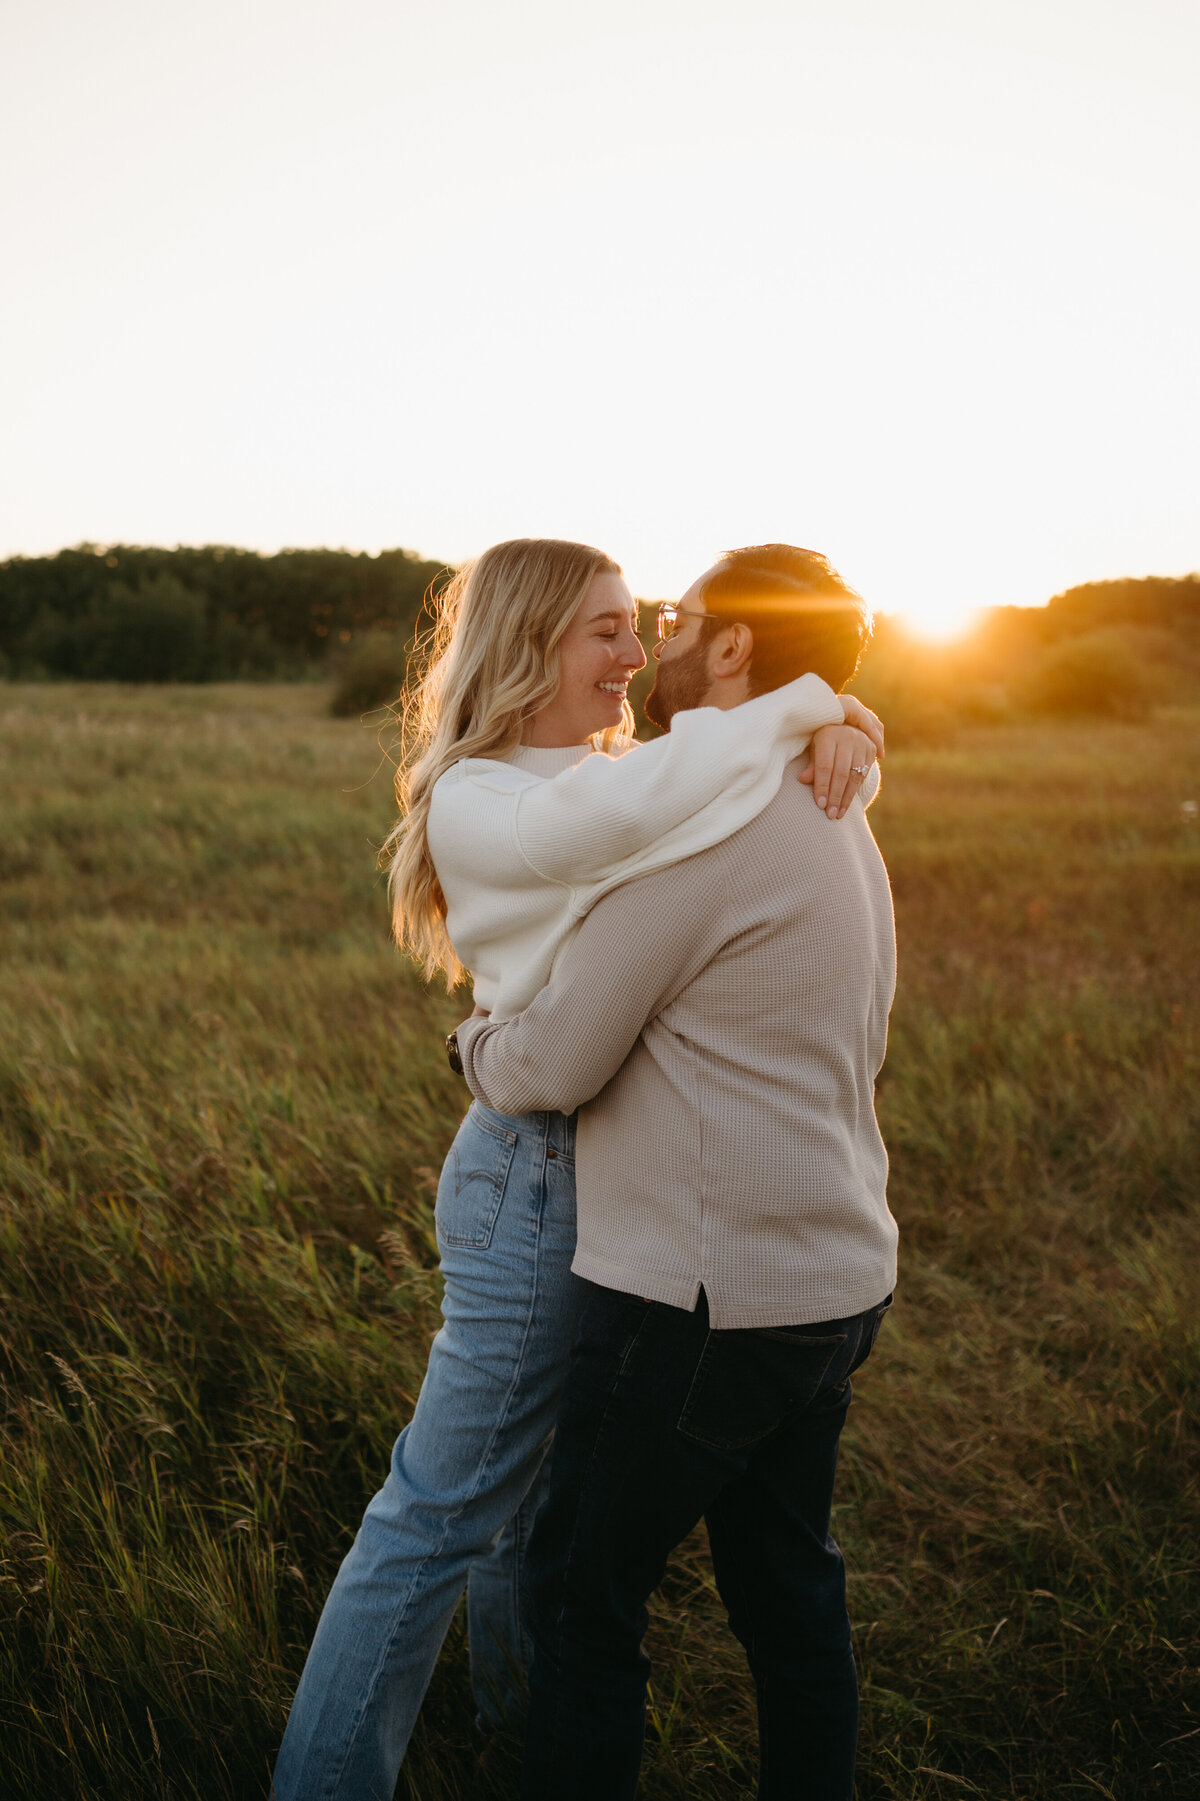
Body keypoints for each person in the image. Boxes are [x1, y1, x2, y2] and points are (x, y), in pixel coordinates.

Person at [271, 538, 883, 1801]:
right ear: (529, 642)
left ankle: (512, 1724)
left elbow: (696, 782)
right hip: (534, 1153)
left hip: (619, 1157)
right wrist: (815, 703)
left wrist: (845, 722)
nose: (632, 649)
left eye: (646, 622)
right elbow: (634, 849)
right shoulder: (492, 797)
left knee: (536, 1505)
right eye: (607, 628)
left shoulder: (641, 773)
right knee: (443, 1507)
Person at [454, 543, 898, 1801]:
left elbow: (555, 1058)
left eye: (678, 620)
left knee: (579, 1595)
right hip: (834, 1278)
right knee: (788, 1596)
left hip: (699, 1302)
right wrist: (846, 712)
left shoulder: (717, 821)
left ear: (738, 650)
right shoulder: (839, 802)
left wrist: (472, 1041)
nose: (656, 644)